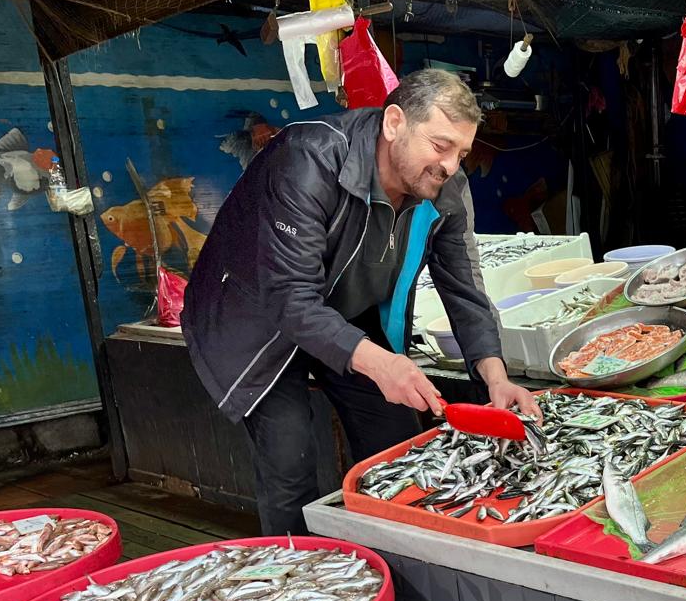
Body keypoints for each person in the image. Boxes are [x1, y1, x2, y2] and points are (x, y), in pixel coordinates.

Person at [182, 68, 538, 535]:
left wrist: (496, 377)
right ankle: (304, 587)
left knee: (395, 439)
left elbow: (463, 284)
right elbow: (291, 298)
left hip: (340, 311)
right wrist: (381, 363)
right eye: (440, 145)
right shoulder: (308, 159)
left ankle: (392, 561)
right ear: (394, 124)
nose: (451, 165)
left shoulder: (443, 185)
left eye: (462, 153)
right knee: (289, 461)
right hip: (258, 319)